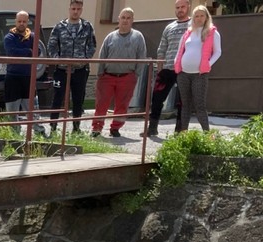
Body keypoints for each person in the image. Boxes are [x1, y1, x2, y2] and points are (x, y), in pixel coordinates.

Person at [90, 8, 147, 139]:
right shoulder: (110, 37)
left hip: (127, 77)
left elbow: (141, 56)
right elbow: (102, 55)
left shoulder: (138, 37)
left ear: (132, 20)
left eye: (128, 18)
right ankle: (96, 128)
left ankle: (115, 128)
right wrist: (100, 74)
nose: (125, 20)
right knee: (101, 104)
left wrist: (136, 75)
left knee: (122, 105)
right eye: (123, 17)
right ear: (119, 19)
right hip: (107, 76)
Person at [47, 0, 96, 133]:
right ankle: (53, 127)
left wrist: (85, 59)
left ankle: (76, 128)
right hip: (62, 70)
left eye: (78, 9)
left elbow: (92, 45)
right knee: (57, 98)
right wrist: (58, 60)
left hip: (80, 69)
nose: (75, 12)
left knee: (78, 99)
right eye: (73, 9)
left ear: (81, 10)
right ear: (69, 9)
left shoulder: (87, 26)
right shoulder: (59, 27)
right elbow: (51, 46)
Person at [174, 5, 222, 132]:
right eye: (196, 16)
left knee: (199, 105)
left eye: (202, 15)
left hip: (199, 75)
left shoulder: (212, 32)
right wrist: (176, 63)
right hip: (183, 74)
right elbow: (180, 50)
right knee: (185, 105)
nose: (199, 18)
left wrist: (208, 64)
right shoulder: (188, 33)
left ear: (206, 17)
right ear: (193, 18)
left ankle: (207, 135)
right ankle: (183, 134)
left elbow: (218, 52)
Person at [147, 0, 191, 137]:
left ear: (188, 7)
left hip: (185, 69)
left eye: (182, 7)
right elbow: (162, 49)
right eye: (177, 7)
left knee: (183, 101)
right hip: (167, 68)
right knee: (157, 98)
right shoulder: (169, 27)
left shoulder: (194, 25)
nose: (180, 10)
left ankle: (180, 132)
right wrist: (160, 69)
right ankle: (152, 128)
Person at [3, 11, 45, 138]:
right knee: (12, 111)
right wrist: (29, 51)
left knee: (33, 110)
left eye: (24, 21)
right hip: (13, 77)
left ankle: (40, 132)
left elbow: (38, 51)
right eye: (19, 21)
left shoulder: (32, 37)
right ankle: (14, 136)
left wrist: (27, 51)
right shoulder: (9, 37)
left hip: (28, 78)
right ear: (15, 22)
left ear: (27, 22)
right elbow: (12, 52)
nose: (21, 24)